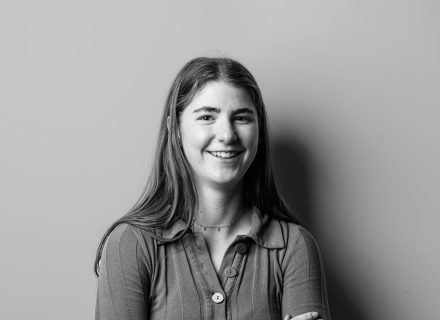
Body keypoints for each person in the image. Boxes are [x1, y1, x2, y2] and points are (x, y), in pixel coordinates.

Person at [94, 57, 331, 320]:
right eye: (207, 116)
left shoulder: (294, 247)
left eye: (241, 117)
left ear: (259, 131)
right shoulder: (131, 244)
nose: (227, 135)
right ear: (176, 129)